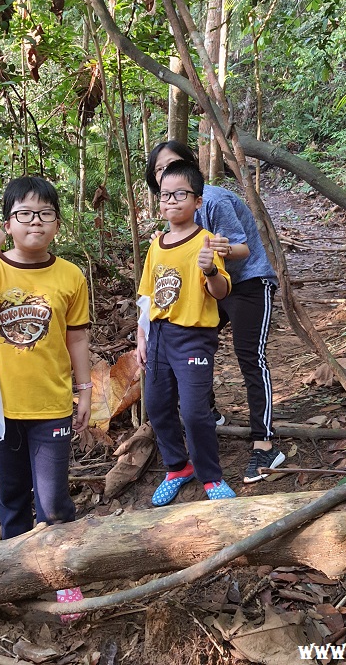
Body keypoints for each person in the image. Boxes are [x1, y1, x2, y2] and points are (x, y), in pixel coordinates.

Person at [0, 176, 90, 619]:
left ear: (57, 222)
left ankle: (66, 579)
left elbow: (77, 339)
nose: (35, 222)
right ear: (9, 222)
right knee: (11, 497)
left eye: (45, 213)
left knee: (54, 502)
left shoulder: (70, 274)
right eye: (25, 214)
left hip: (51, 402)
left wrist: (86, 389)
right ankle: (15, 580)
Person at [146, 141, 285, 484]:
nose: (168, 175)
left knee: (249, 355)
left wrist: (220, 250)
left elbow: (244, 247)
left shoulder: (214, 199)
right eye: (160, 171)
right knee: (193, 340)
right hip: (208, 286)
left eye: (174, 165)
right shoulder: (171, 217)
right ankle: (207, 415)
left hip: (247, 282)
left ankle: (265, 444)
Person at [136, 160, 236, 506]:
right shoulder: (156, 244)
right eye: (165, 195)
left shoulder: (206, 240)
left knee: (194, 411)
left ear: (197, 200)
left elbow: (221, 291)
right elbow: (147, 295)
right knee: (158, 406)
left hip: (193, 335)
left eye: (181, 193)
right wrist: (141, 336)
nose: (171, 201)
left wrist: (209, 270)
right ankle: (178, 467)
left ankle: (211, 476)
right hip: (159, 335)